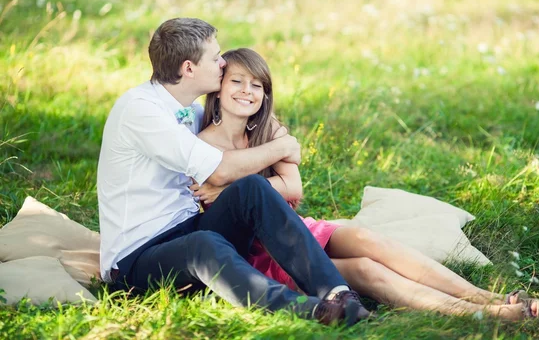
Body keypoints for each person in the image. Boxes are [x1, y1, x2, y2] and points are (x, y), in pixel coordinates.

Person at [194, 47, 539, 321]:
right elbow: (250, 197)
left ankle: (486, 296)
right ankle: (481, 315)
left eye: (257, 85)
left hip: (297, 229)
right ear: (219, 86)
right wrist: (258, 178)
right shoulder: (201, 145)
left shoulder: (269, 132)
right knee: (364, 269)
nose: (247, 91)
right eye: (237, 81)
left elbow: (294, 189)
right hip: (264, 254)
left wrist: (229, 187)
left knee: (365, 239)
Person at [97, 17, 372, 327]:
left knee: (251, 188)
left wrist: (275, 134)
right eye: (215, 58)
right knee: (204, 246)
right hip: (137, 260)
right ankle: (312, 311)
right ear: (189, 69)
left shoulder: (193, 111)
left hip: (189, 226)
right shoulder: (140, 110)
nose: (223, 62)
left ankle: (338, 294)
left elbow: (240, 141)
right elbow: (220, 171)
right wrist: (281, 148)